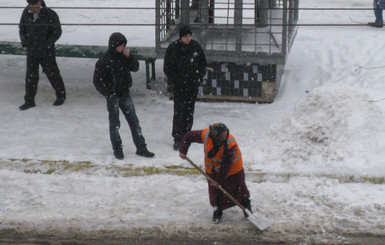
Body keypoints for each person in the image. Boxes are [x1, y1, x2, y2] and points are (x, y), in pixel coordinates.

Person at [93, 32, 154, 160]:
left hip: (125, 93)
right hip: (113, 96)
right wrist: (108, 93)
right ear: (114, 45)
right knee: (115, 124)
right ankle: (117, 149)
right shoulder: (104, 60)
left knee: (134, 122)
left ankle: (141, 147)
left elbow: (135, 67)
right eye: (121, 45)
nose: (123, 48)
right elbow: (97, 80)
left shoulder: (123, 56)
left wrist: (129, 56)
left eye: (124, 45)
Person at [179, 123, 252, 224]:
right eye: (222, 136)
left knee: (239, 190)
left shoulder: (230, 144)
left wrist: (218, 180)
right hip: (212, 168)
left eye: (225, 134)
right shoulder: (205, 135)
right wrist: (183, 150)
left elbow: (226, 166)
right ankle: (217, 210)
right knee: (215, 192)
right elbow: (189, 135)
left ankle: (247, 209)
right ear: (215, 135)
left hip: (233, 170)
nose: (224, 137)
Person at [163, 25, 207, 150]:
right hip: (179, 86)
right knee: (179, 111)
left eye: (189, 36)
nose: (188, 39)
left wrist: (198, 77)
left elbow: (203, 64)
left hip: (192, 85)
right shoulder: (173, 48)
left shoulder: (196, 47)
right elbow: (168, 67)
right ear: (181, 37)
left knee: (189, 111)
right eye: (185, 37)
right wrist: (176, 80)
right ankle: (178, 137)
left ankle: (187, 134)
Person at [18, 0, 66, 110]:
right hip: (31, 50)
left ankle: (61, 95)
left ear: (40, 2)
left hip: (46, 51)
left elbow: (57, 31)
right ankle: (29, 100)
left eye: (35, 4)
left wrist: (47, 43)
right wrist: (25, 40)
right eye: (31, 5)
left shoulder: (50, 14)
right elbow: (22, 28)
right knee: (31, 76)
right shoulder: (26, 12)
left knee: (53, 74)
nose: (33, 7)